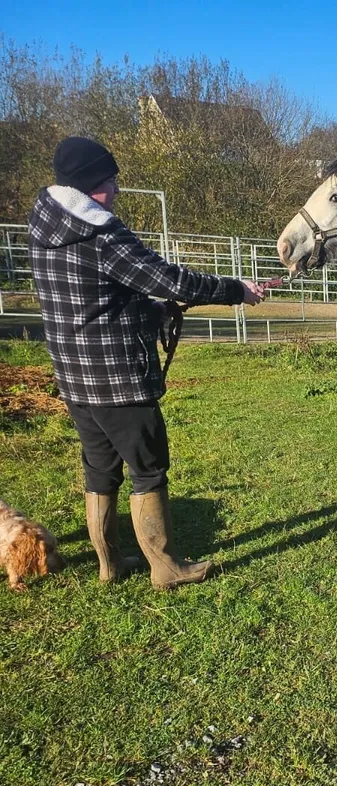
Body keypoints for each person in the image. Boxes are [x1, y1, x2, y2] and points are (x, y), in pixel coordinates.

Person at [28, 135, 266, 589]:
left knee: (99, 469)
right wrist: (238, 290)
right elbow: (169, 278)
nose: (116, 189)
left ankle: (109, 564)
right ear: (93, 183)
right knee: (148, 468)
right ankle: (167, 568)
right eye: (112, 180)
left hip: (74, 378)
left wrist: (150, 311)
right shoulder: (100, 233)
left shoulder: (45, 226)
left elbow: (91, 298)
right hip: (117, 378)